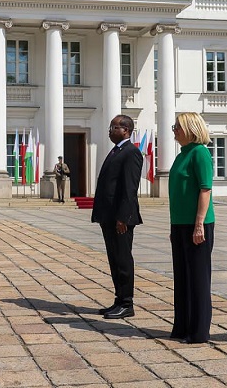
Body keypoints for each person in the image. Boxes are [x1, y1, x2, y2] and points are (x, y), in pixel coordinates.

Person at [168, 112, 215, 344]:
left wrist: (199, 224)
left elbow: (205, 189)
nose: (174, 130)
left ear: (191, 129)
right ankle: (183, 326)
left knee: (197, 278)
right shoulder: (181, 155)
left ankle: (198, 332)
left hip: (198, 224)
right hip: (180, 224)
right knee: (182, 277)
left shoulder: (200, 153)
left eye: (177, 126)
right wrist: (173, 226)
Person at [91, 114, 143, 319]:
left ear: (126, 130)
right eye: (110, 127)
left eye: (114, 127)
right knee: (114, 259)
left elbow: (129, 188)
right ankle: (118, 299)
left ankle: (127, 303)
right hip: (109, 216)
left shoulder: (131, 153)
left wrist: (123, 217)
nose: (110, 130)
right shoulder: (116, 150)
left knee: (122, 260)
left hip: (121, 219)